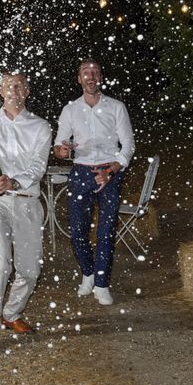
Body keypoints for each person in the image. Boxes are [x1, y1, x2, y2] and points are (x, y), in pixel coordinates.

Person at [0, 72, 51, 352]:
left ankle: (11, 314)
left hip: (27, 200)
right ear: (0, 91)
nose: (13, 90)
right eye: (7, 86)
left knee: (30, 270)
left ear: (27, 90)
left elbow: (38, 167)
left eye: (18, 85)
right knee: (0, 264)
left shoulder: (41, 127)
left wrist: (14, 180)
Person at [53, 59, 135, 306]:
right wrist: (63, 151)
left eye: (95, 72)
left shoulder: (116, 107)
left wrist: (112, 170)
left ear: (101, 77)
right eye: (85, 73)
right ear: (79, 79)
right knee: (77, 231)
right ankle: (88, 272)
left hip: (110, 173)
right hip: (81, 173)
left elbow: (128, 145)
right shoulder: (70, 110)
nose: (90, 76)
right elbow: (58, 146)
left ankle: (101, 283)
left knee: (106, 231)